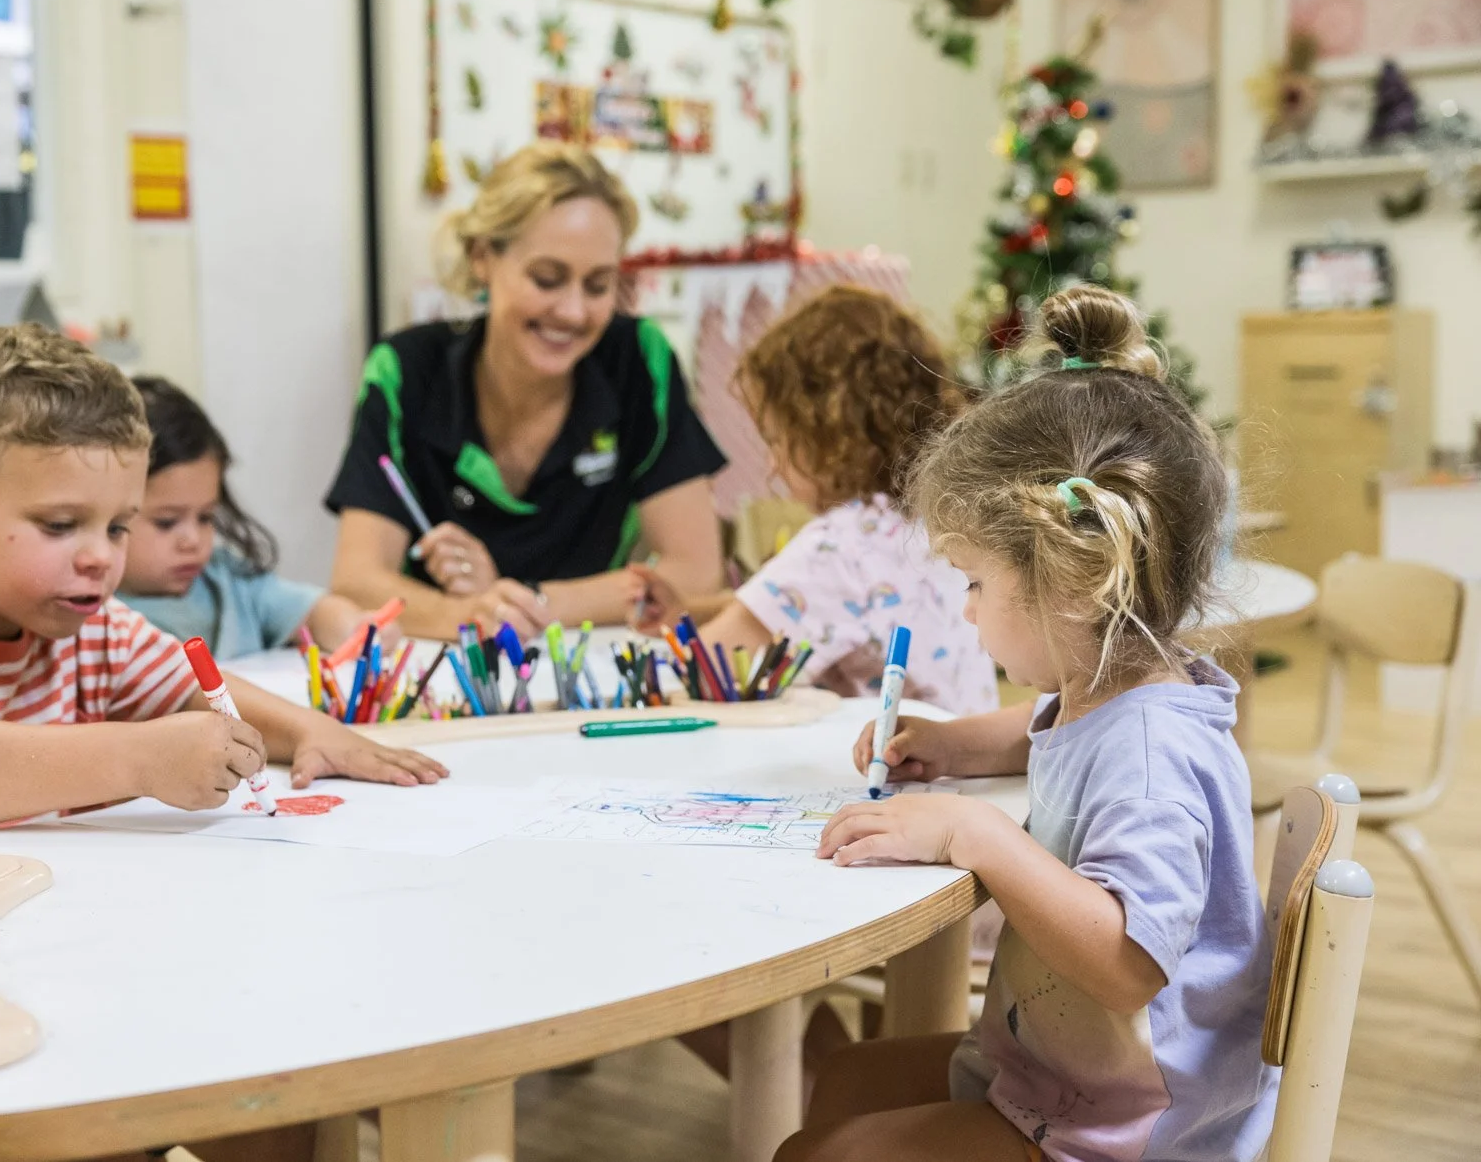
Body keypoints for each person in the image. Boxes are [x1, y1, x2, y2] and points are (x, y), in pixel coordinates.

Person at [779, 286, 1275, 1162]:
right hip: (1066, 1071)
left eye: (974, 582)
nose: (966, 612)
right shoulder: (1114, 689)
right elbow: (1047, 731)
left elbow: (1128, 961)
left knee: (820, 1153)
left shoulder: (1153, 753)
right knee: (847, 1082)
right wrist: (948, 741)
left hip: (1130, 1129)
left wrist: (975, 833)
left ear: (1075, 581)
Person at [0, 325, 446, 850]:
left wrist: (316, 733)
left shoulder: (94, 626)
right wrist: (140, 756)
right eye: (61, 525)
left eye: (120, 526)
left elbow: (196, 690)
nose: (100, 559)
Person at [325, 141, 728, 640]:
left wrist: (522, 601)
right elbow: (356, 581)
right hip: (441, 673)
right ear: (481, 259)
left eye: (599, 286)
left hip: (592, 665)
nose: (574, 312)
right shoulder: (405, 370)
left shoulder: (639, 358)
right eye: (547, 279)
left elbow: (694, 572)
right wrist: (468, 613)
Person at [630, 285, 997, 715]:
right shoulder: (932, 520)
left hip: (897, 774)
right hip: (969, 762)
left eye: (777, 440)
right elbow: (795, 608)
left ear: (827, 434)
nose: (771, 467)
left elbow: (708, 666)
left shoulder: (838, 547)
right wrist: (688, 611)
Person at [118, 377, 398, 658]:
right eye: (166, 522)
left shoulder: (232, 581)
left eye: (206, 517)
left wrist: (355, 628)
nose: (192, 540)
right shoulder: (98, 620)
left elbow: (314, 612)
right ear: (111, 516)